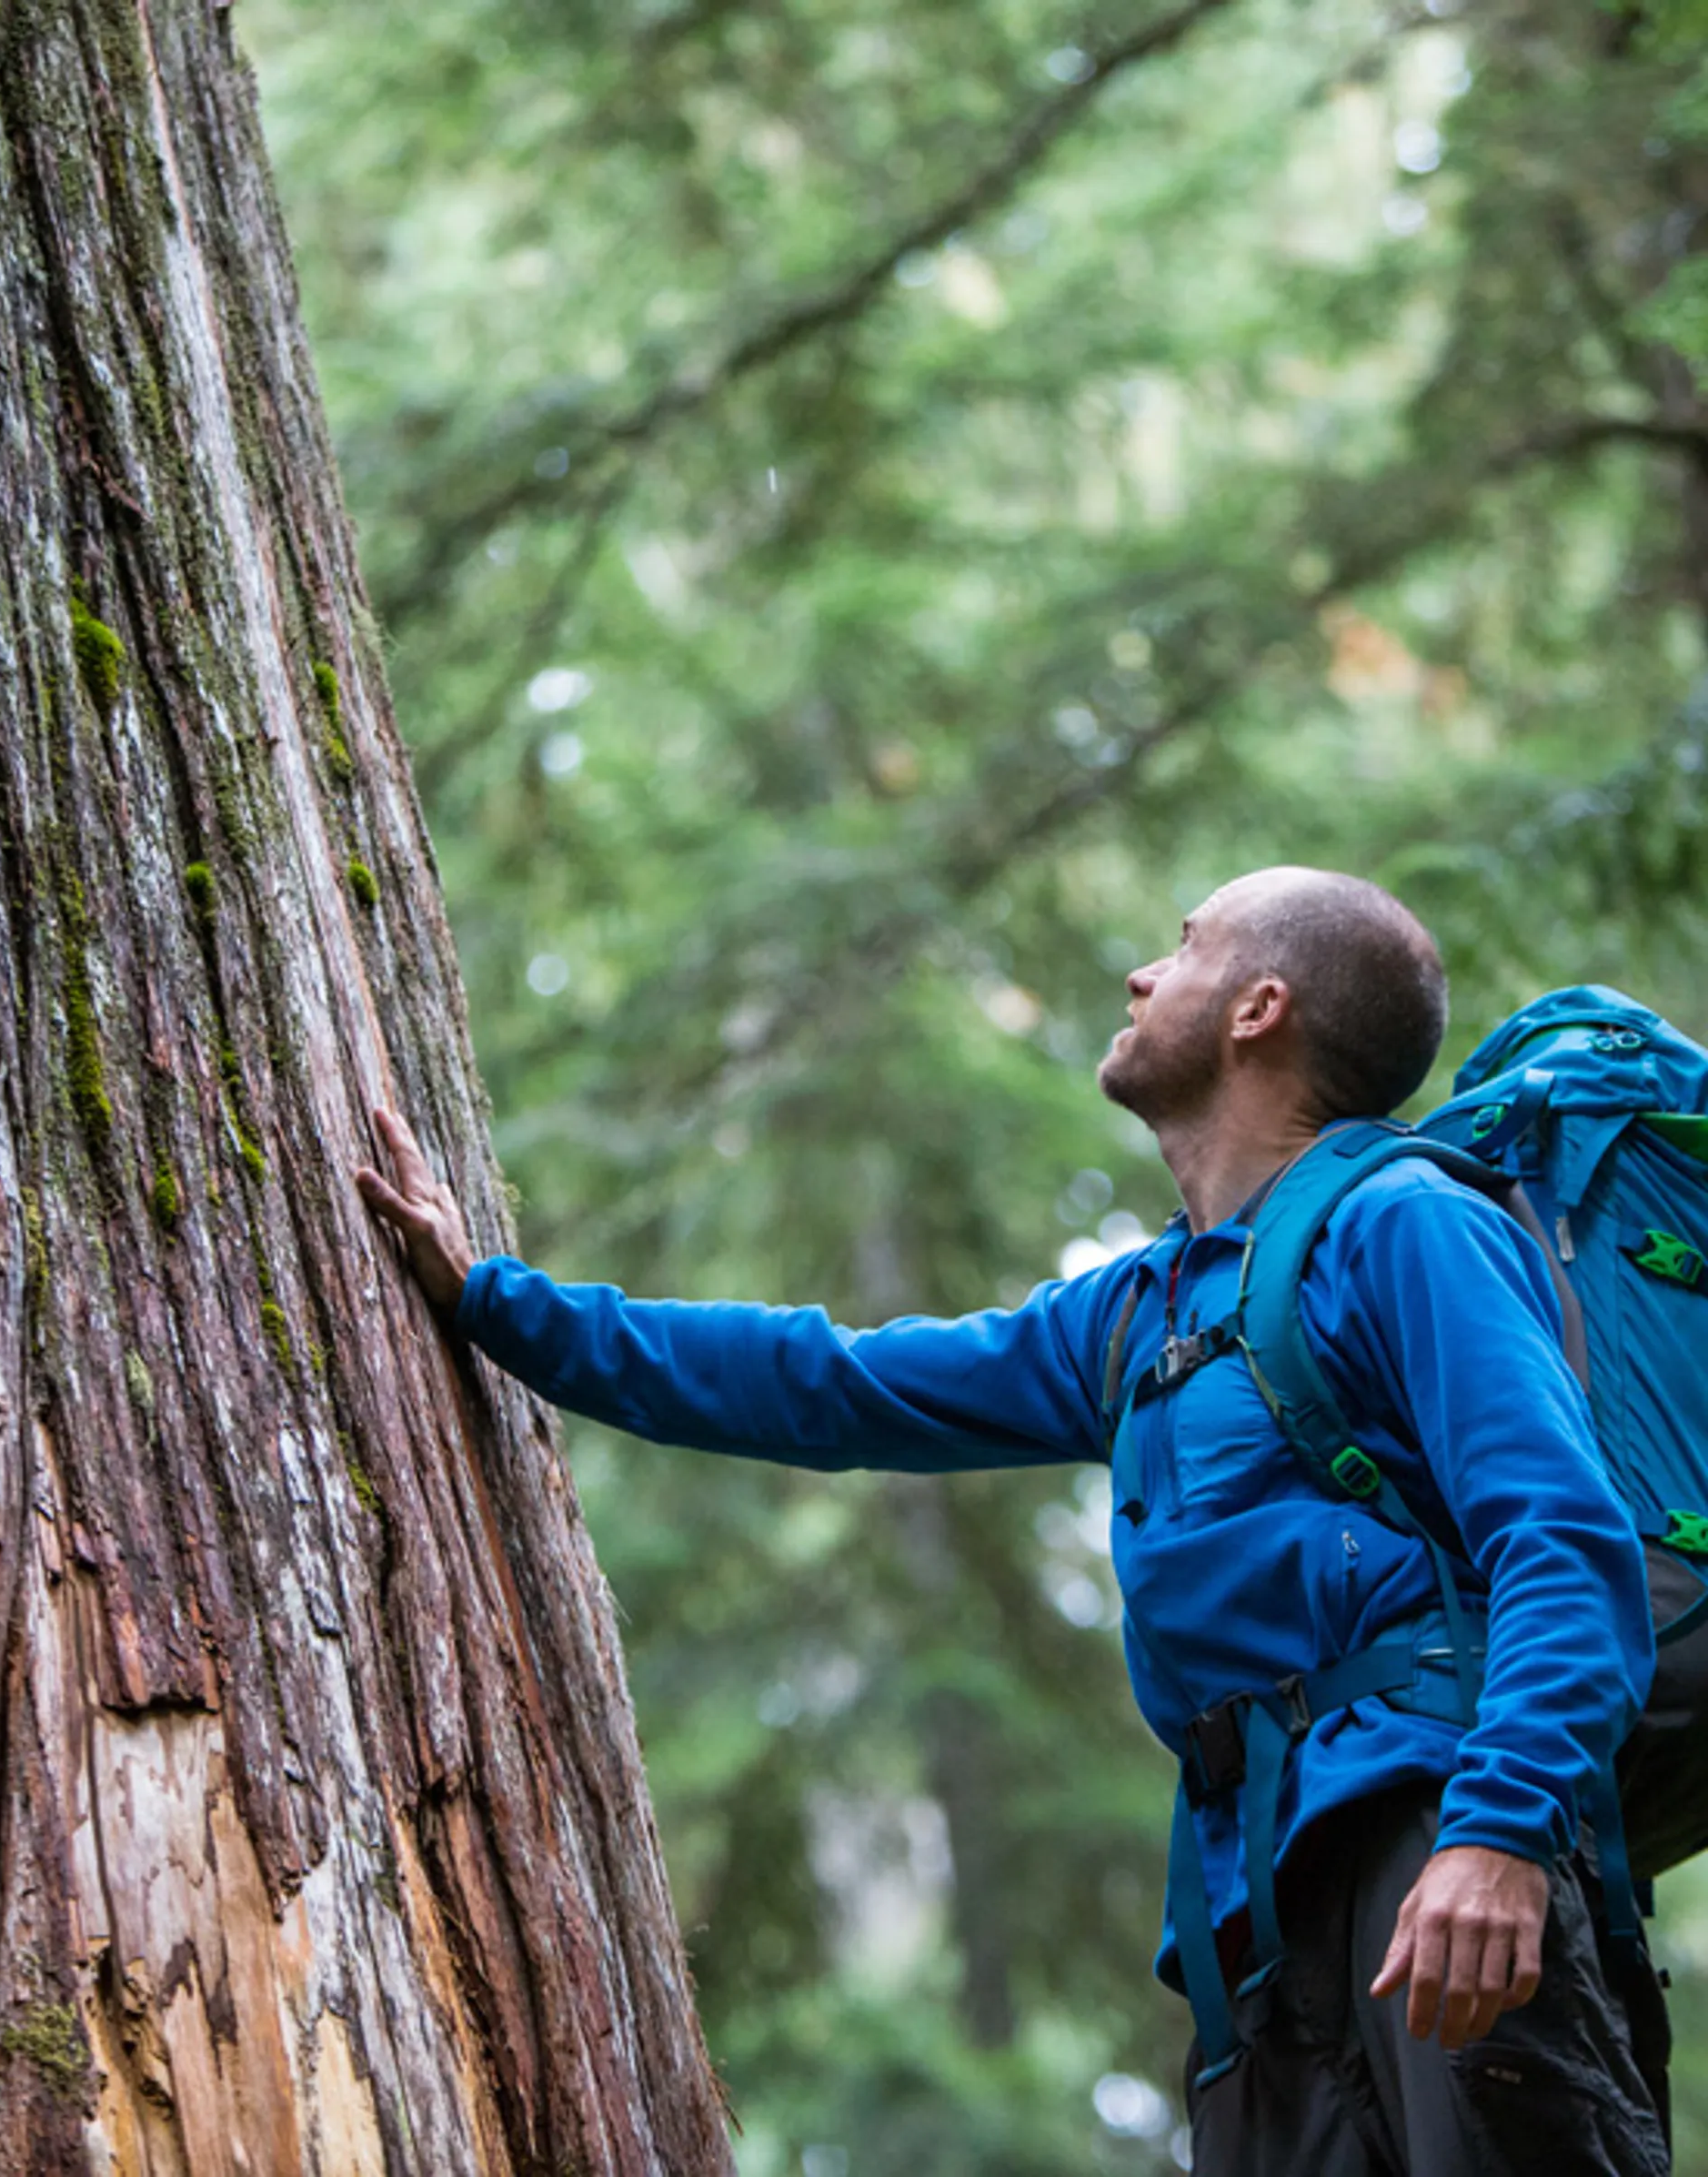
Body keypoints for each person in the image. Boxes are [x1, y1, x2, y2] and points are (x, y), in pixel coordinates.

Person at [357, 865, 1669, 2175]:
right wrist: (497, 1302)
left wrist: (1499, 1832)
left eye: (1184, 946)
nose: (1144, 975)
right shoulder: (1141, 1312)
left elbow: (1563, 1542)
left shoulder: (1407, 1224)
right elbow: (834, 1383)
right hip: (1254, 1926)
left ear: (1258, 1009)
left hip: (1431, 1848)